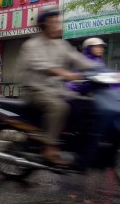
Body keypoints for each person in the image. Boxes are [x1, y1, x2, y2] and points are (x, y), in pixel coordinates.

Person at [16, 9, 98, 167]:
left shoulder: (62, 45)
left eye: (57, 21)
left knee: (85, 104)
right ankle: (50, 147)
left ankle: (77, 144)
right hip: (35, 91)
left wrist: (102, 70)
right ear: (44, 25)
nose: (57, 25)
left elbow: (78, 59)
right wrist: (63, 72)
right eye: (53, 22)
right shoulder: (32, 45)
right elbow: (40, 64)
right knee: (59, 107)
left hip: (56, 90)